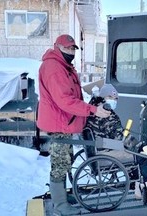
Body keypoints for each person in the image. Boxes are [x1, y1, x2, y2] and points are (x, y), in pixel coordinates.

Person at [37, 34, 110, 216]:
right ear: (57, 47)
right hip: (59, 122)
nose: (70, 51)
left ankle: (60, 198)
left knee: (65, 161)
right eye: (67, 48)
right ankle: (60, 207)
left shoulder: (63, 65)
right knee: (61, 163)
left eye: (72, 49)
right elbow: (65, 100)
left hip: (63, 122)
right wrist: (92, 110)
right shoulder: (54, 68)